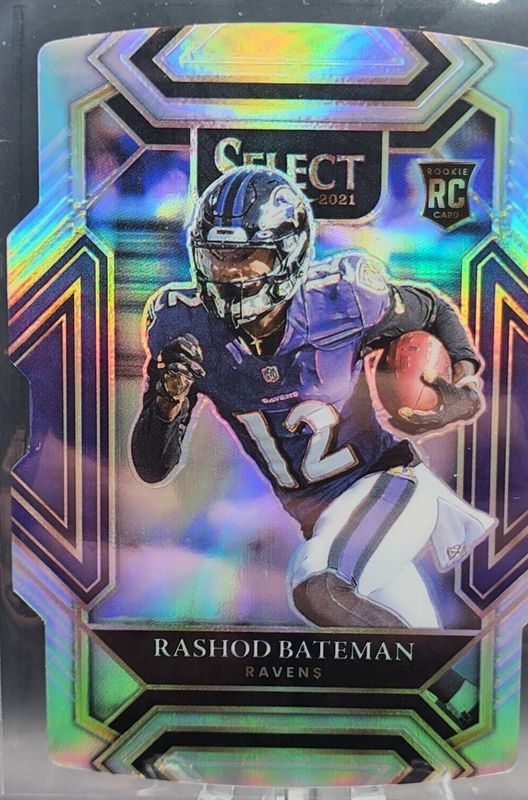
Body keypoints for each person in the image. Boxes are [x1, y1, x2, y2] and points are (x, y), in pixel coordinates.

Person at [131, 166, 495, 725]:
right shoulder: (187, 328)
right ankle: (457, 728)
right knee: (434, 672)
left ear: (289, 253)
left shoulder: (343, 299)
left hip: (388, 487)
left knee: (316, 585)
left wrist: (464, 377)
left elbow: (431, 308)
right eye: (218, 256)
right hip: (329, 518)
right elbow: (153, 468)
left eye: (248, 255)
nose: (230, 272)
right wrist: (166, 400)